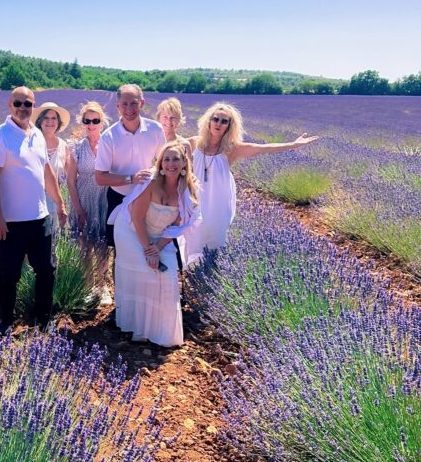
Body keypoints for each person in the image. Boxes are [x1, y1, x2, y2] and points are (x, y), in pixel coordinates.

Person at [0, 87, 68, 333]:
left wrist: (60, 202)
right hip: (9, 222)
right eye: (18, 103)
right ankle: (7, 322)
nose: (23, 108)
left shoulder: (37, 135)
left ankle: (43, 320)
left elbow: (46, 171)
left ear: (34, 107)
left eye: (28, 104)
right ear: (10, 105)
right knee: (9, 275)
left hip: (39, 218)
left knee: (46, 269)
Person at [187, 102, 319, 257]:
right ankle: (191, 272)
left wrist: (293, 145)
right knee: (193, 237)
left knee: (215, 239)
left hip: (218, 202)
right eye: (215, 119)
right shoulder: (192, 142)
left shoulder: (232, 148)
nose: (218, 124)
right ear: (208, 121)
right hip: (195, 199)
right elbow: (168, 154)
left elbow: (263, 148)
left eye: (224, 121)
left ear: (229, 126)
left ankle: (208, 272)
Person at [109, 141, 201, 347]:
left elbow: (179, 227)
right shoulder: (151, 183)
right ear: (160, 164)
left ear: (184, 164)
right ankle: (138, 329)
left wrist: (157, 248)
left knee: (167, 276)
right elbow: (137, 217)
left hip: (161, 236)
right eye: (166, 159)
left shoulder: (188, 192)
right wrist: (147, 250)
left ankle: (161, 333)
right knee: (145, 268)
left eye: (175, 159)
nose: (170, 164)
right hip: (131, 231)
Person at [95, 84, 166, 247]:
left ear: (142, 103)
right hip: (118, 198)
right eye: (124, 104)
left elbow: (164, 162)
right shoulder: (109, 137)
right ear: (118, 106)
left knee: (145, 245)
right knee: (118, 248)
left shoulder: (155, 130)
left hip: (147, 197)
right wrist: (131, 179)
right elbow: (100, 177)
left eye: (133, 103)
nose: (129, 109)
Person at [66, 101, 110, 240]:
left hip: (104, 200)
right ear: (83, 122)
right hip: (83, 200)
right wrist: (79, 209)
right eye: (87, 121)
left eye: (95, 121)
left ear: (101, 122)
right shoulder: (77, 147)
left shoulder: (110, 144)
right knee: (83, 249)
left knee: (104, 248)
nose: (91, 125)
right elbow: (71, 182)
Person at [34, 102, 71, 229]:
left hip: (55, 203)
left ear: (58, 122)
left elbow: (70, 177)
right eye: (46, 117)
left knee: (52, 244)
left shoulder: (64, 146)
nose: (50, 121)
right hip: (33, 202)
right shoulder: (31, 142)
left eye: (54, 118)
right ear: (39, 121)